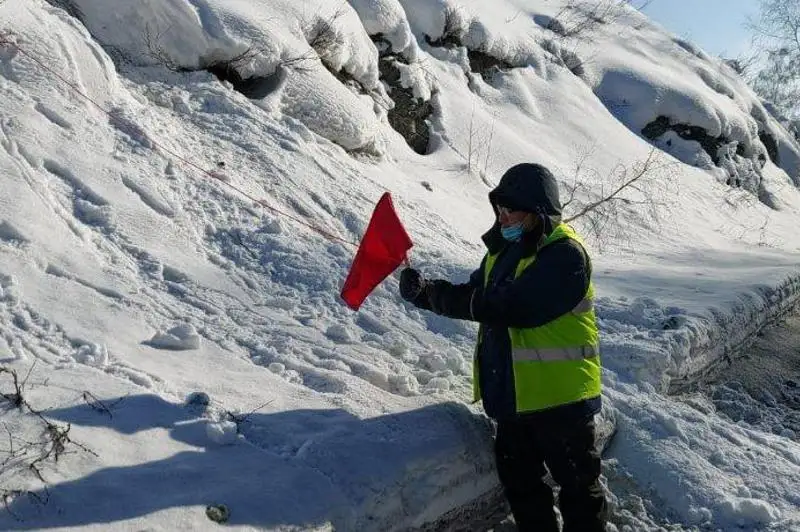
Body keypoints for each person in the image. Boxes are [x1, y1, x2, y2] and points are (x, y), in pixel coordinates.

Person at [399, 163, 607, 531]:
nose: (504, 216)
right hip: (515, 399)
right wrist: (427, 292)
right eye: (500, 209)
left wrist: (456, 299)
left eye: (513, 210)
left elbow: (514, 307)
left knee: (578, 492)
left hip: (561, 403)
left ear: (539, 211)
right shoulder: (503, 251)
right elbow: (475, 293)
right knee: (523, 489)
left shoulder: (564, 255)